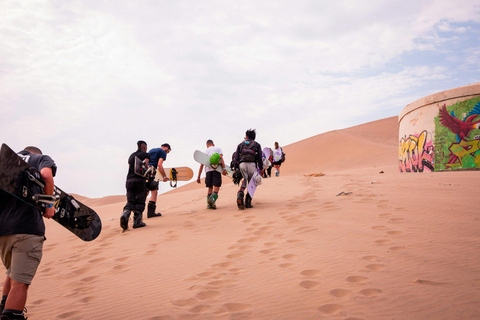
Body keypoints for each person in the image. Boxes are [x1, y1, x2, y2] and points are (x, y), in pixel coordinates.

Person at [0, 146, 56, 320]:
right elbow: (46, 176)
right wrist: (49, 205)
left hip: (3, 232)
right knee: (21, 282)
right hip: (27, 229)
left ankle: (3, 308)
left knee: (13, 273)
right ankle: (12, 315)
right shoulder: (39, 159)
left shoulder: (4, 163)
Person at [121, 141, 151, 230]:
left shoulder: (131, 156)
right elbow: (145, 164)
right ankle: (137, 222)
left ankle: (125, 214)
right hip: (139, 180)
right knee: (140, 201)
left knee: (130, 201)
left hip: (129, 180)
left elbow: (130, 167)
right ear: (144, 147)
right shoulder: (146, 155)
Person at [233, 129, 264, 209]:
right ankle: (248, 202)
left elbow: (236, 157)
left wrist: (236, 168)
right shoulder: (257, 145)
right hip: (252, 165)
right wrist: (261, 168)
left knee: (244, 180)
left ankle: (240, 195)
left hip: (242, 164)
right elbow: (259, 158)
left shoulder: (241, 144)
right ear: (254, 137)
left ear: (246, 136)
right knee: (251, 184)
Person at [196, 140, 227, 209]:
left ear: (207, 145)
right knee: (216, 186)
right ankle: (212, 199)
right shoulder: (218, 148)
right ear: (213, 144)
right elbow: (220, 158)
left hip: (207, 171)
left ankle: (209, 205)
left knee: (210, 187)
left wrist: (198, 177)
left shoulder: (204, 152)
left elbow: (201, 165)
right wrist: (224, 169)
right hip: (216, 170)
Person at [146, 144, 171, 218]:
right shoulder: (162, 152)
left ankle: (138, 211)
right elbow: (159, 164)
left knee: (146, 192)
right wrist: (164, 176)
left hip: (145, 172)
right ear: (166, 148)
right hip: (153, 172)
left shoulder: (151, 150)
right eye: (168, 151)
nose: (167, 153)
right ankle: (151, 213)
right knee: (154, 191)